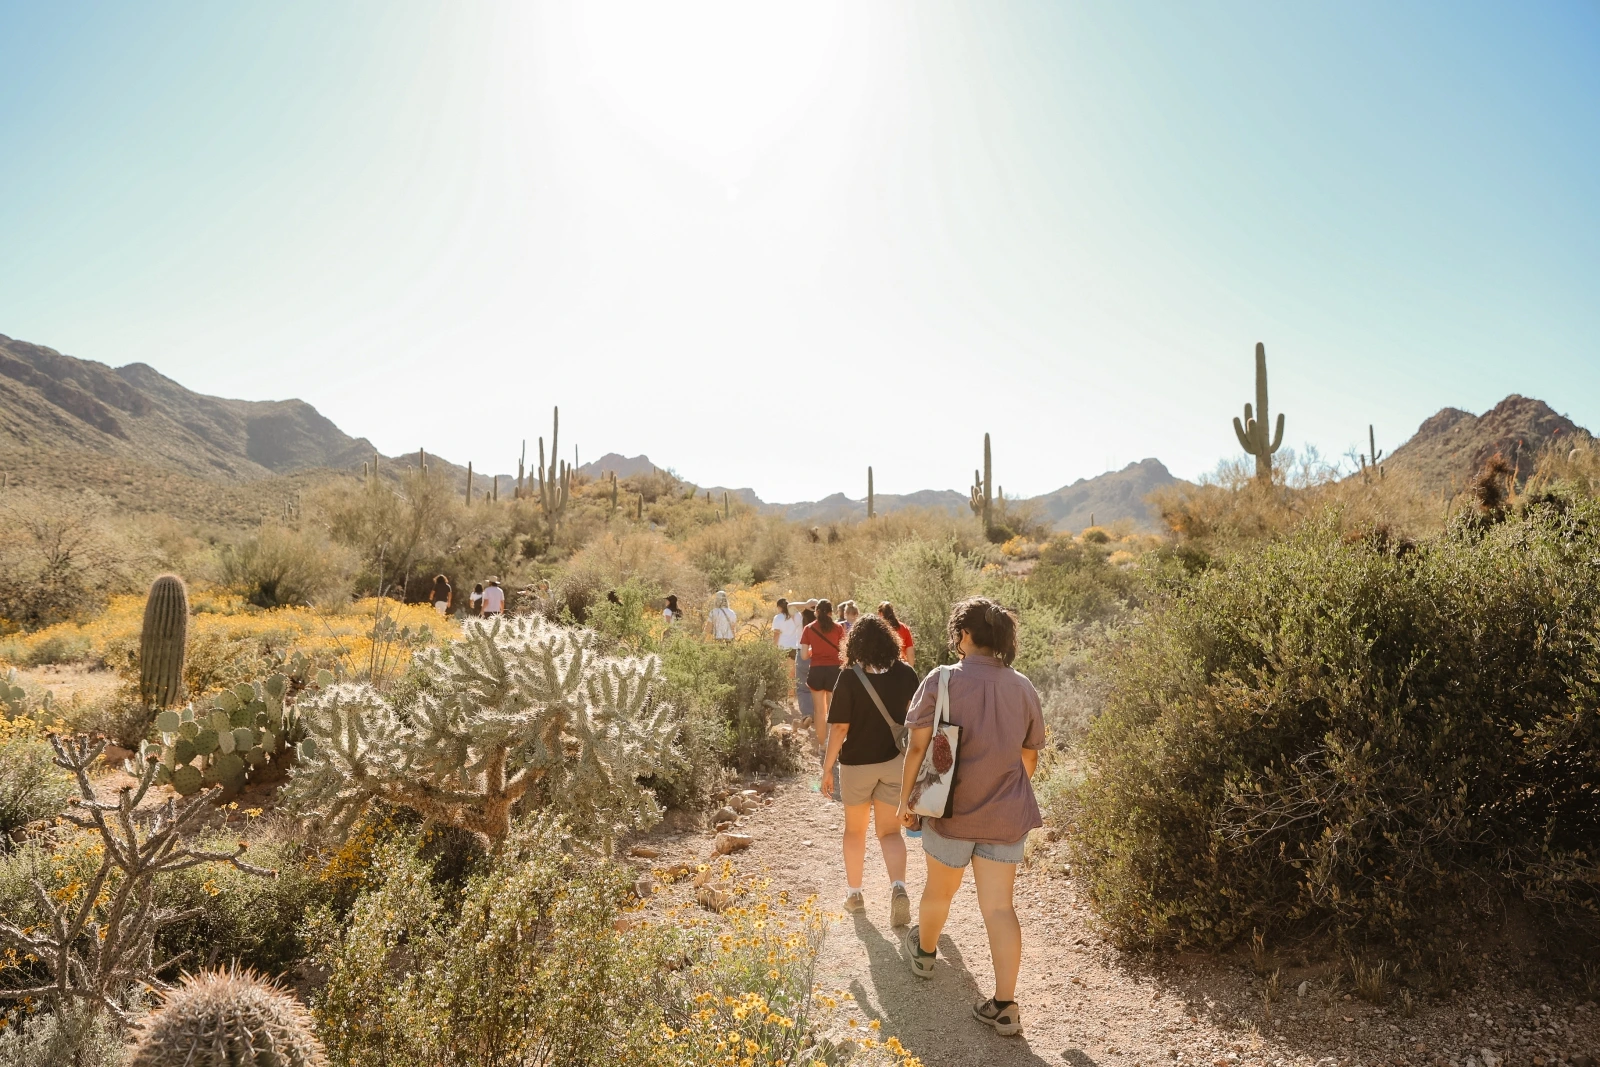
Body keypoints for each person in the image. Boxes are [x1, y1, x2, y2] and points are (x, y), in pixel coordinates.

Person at [897, 597, 1043, 1038]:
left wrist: (907, 801)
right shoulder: (1023, 686)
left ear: (962, 636)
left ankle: (924, 955)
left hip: (949, 811)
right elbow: (1029, 755)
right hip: (1005, 815)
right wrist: (1003, 788)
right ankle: (1004, 1006)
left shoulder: (940, 681)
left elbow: (918, 748)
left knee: (940, 889)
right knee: (1000, 907)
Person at [819, 614, 919, 923]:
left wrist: (826, 767)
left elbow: (838, 729)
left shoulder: (850, 676)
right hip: (894, 764)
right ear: (891, 640)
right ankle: (899, 887)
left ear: (854, 644)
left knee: (854, 831)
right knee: (890, 832)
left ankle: (855, 894)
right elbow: (915, 722)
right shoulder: (906, 674)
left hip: (857, 766)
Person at [799, 599, 846, 749]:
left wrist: (815, 651)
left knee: (820, 711)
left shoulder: (808, 628)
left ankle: (822, 745)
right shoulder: (838, 628)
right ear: (831, 613)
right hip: (834, 671)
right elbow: (844, 653)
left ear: (816, 612)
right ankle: (832, 744)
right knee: (833, 710)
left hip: (816, 671)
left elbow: (804, 656)